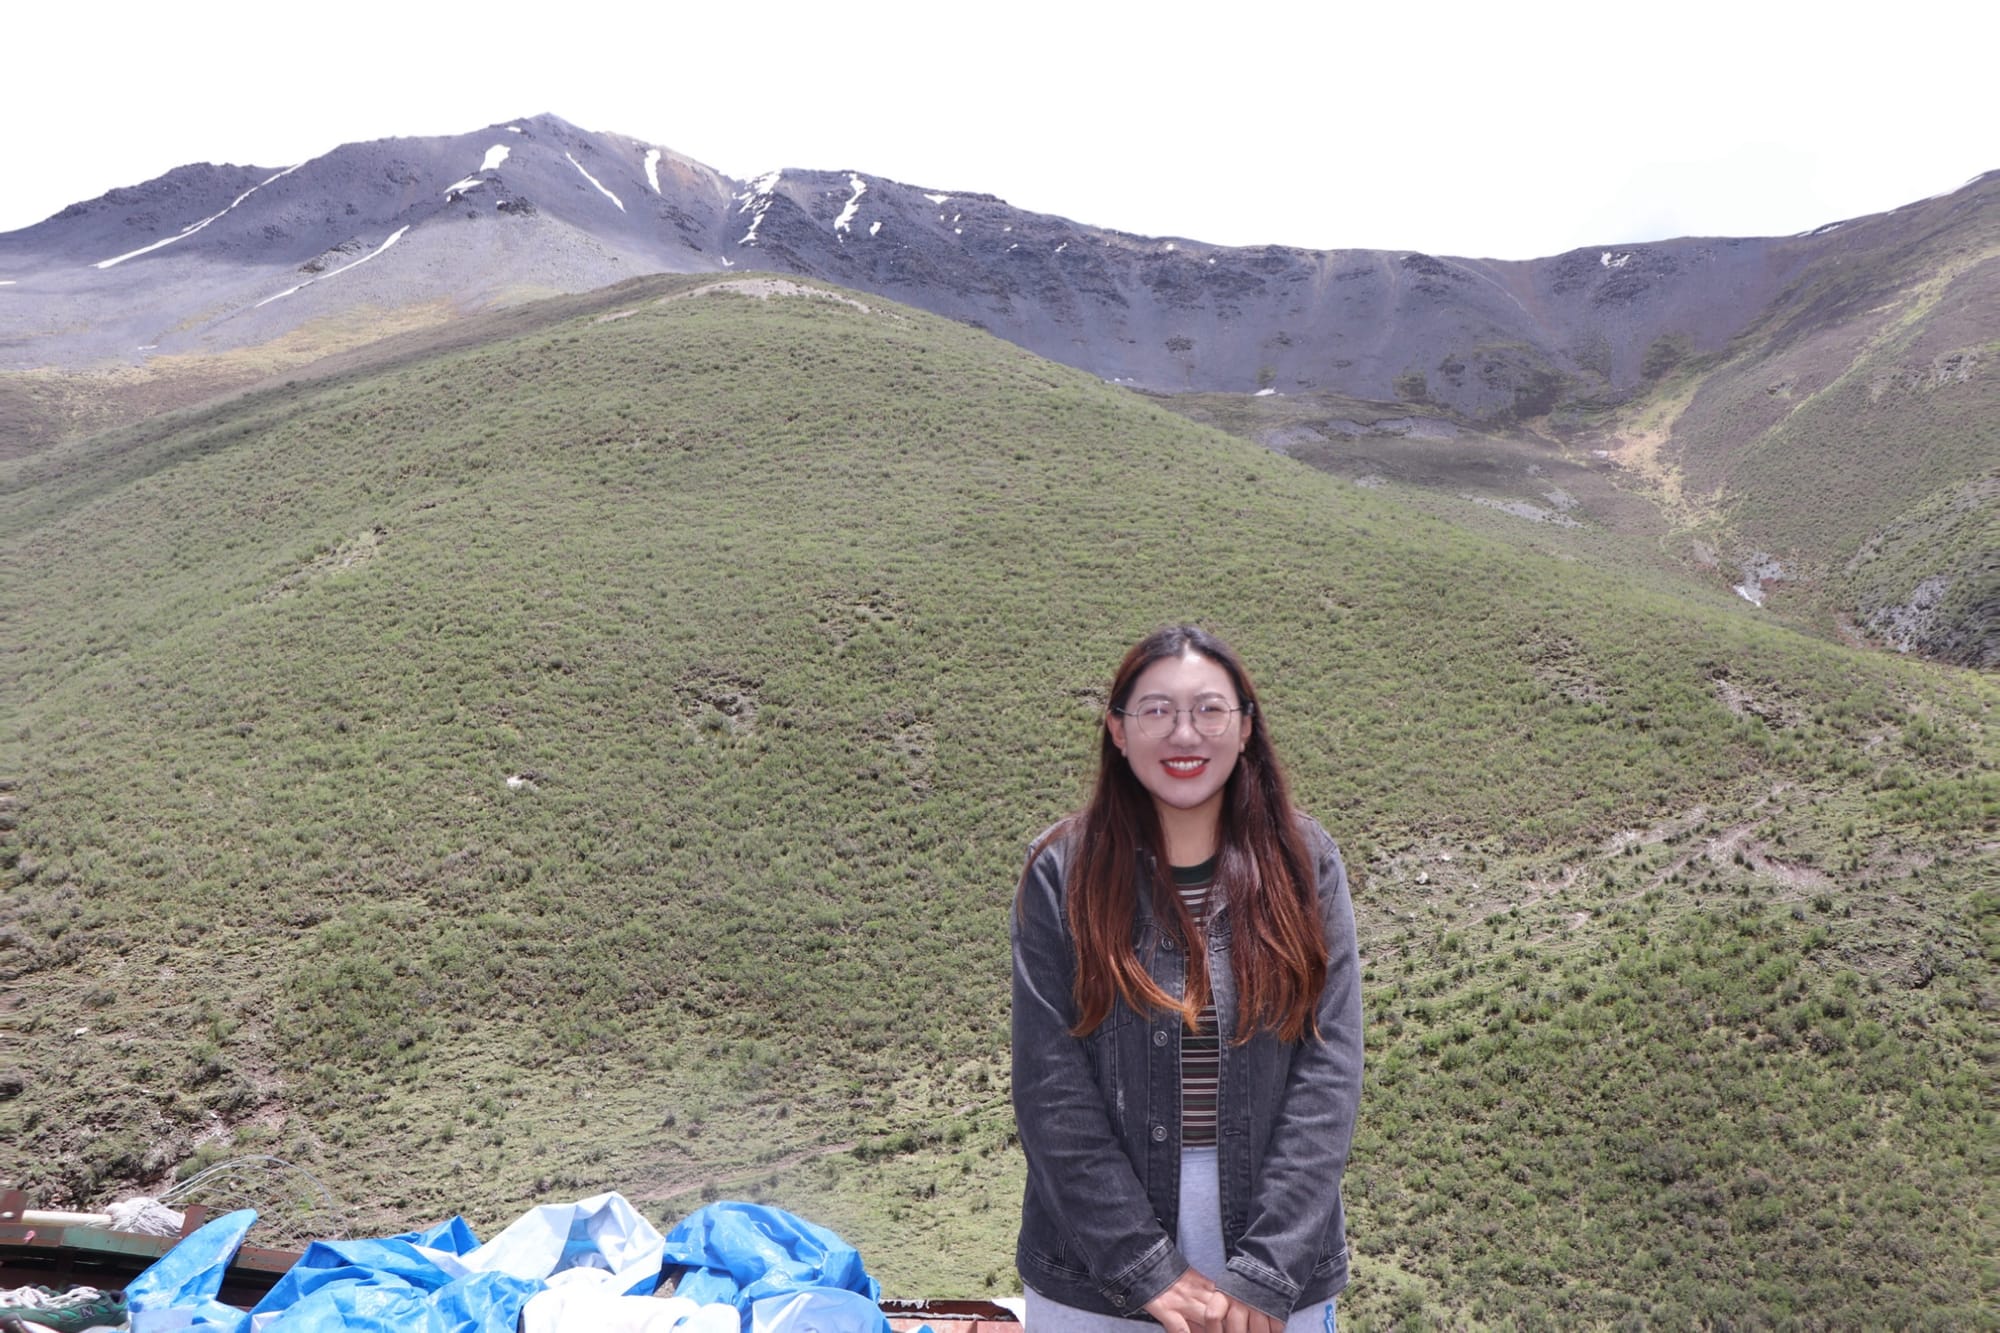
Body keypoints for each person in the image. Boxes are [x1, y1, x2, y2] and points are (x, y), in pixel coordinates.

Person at [1011, 625, 1362, 1333]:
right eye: (1157, 710)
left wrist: (1265, 1271)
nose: (1184, 733)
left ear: (1244, 727)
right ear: (1117, 729)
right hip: (1093, 1265)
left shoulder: (1307, 862)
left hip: (1278, 1264)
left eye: (1208, 709)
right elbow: (1051, 1089)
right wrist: (1146, 1267)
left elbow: (1329, 1072)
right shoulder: (1060, 872)